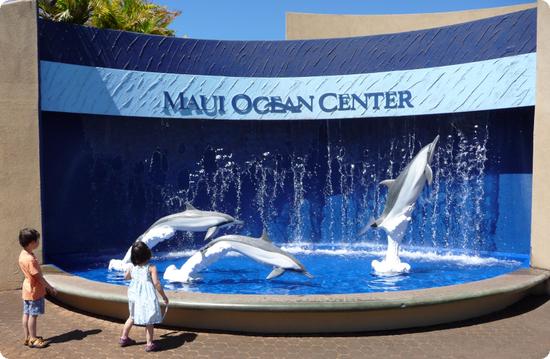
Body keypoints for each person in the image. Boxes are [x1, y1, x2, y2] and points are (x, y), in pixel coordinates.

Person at [119, 241, 169, 352]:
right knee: (149, 320)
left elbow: (126, 277)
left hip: (134, 296)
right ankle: (149, 344)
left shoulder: (132, 267)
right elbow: (157, 284)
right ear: (147, 253)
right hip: (146, 297)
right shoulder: (151, 267)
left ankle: (124, 338)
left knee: (131, 317)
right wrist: (164, 296)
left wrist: (131, 270)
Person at [18, 228, 57, 349]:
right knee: (33, 315)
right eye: (37, 240)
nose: (38, 242)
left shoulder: (23, 254)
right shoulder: (30, 260)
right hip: (34, 291)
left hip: (27, 289)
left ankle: (27, 337)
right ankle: (34, 339)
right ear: (31, 243)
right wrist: (50, 287)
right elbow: (39, 277)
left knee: (26, 313)